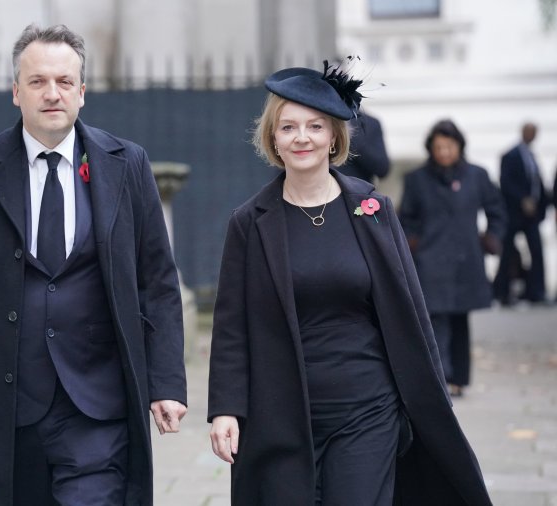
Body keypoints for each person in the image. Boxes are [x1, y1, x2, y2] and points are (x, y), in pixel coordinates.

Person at [0, 24, 187, 506]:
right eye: (37, 81)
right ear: (15, 92)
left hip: (98, 405)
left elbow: (158, 282)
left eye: (64, 82)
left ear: (82, 92)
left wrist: (166, 382)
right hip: (4, 404)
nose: (52, 93)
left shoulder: (128, 165)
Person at [207, 64, 493, 505]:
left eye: (315, 126)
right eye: (289, 127)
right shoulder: (250, 222)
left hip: (367, 410)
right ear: (274, 138)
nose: (302, 137)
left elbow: (411, 310)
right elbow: (231, 326)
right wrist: (225, 408)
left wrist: (431, 395)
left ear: (335, 137)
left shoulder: (373, 209)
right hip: (281, 411)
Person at [399, 119, 506, 398]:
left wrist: (491, 237)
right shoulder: (416, 179)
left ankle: (459, 378)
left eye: (449, 146)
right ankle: (441, 378)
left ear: (459, 146)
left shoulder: (477, 176)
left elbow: (497, 210)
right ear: (430, 149)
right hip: (430, 259)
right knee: (435, 320)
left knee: (460, 319)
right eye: (438, 147)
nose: (444, 152)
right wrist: (413, 244)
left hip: (465, 259)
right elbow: (405, 218)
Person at [494, 122, 548, 304]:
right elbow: (506, 182)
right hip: (514, 213)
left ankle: (537, 293)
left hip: (532, 216)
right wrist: (522, 199)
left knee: (537, 251)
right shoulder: (511, 155)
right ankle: (502, 292)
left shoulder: (532, 156)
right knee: (507, 252)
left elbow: (537, 184)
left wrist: (541, 207)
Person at [335, 109, 391, 184]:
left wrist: (352, 137)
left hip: (357, 190)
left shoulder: (369, 123)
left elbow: (382, 169)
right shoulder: (319, 118)